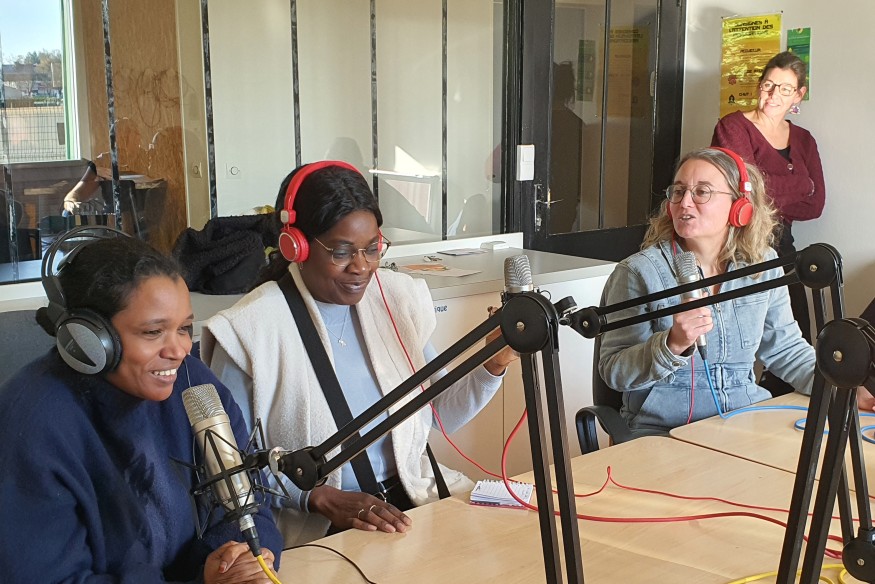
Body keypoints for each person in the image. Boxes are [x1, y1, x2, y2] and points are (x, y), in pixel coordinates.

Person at [200, 161, 517, 546]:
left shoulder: (397, 299)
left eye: (372, 249)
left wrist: (493, 364)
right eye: (342, 252)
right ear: (295, 245)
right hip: (317, 528)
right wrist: (312, 496)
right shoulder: (249, 330)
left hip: (412, 503)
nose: (362, 267)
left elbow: (440, 415)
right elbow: (224, 467)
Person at [0, 230, 283, 583]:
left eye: (184, 328)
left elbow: (250, 507)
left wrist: (236, 561)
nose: (179, 350)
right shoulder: (32, 423)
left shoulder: (193, 383)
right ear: (89, 338)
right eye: (153, 333)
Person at [598, 148, 866, 432]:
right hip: (663, 430)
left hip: (745, 420)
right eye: (678, 191)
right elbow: (614, 371)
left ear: (740, 206)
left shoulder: (762, 265)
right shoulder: (639, 272)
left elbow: (786, 350)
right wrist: (672, 344)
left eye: (702, 192)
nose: (684, 202)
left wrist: (846, 388)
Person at [711, 51, 825, 368]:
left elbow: (815, 205)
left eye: (785, 88)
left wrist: (764, 186)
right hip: (737, 245)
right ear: (760, 86)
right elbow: (744, 190)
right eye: (769, 85)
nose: (774, 95)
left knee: (795, 339)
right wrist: (802, 184)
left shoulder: (804, 140)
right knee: (737, 341)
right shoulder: (732, 127)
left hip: (783, 244)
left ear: (799, 95)